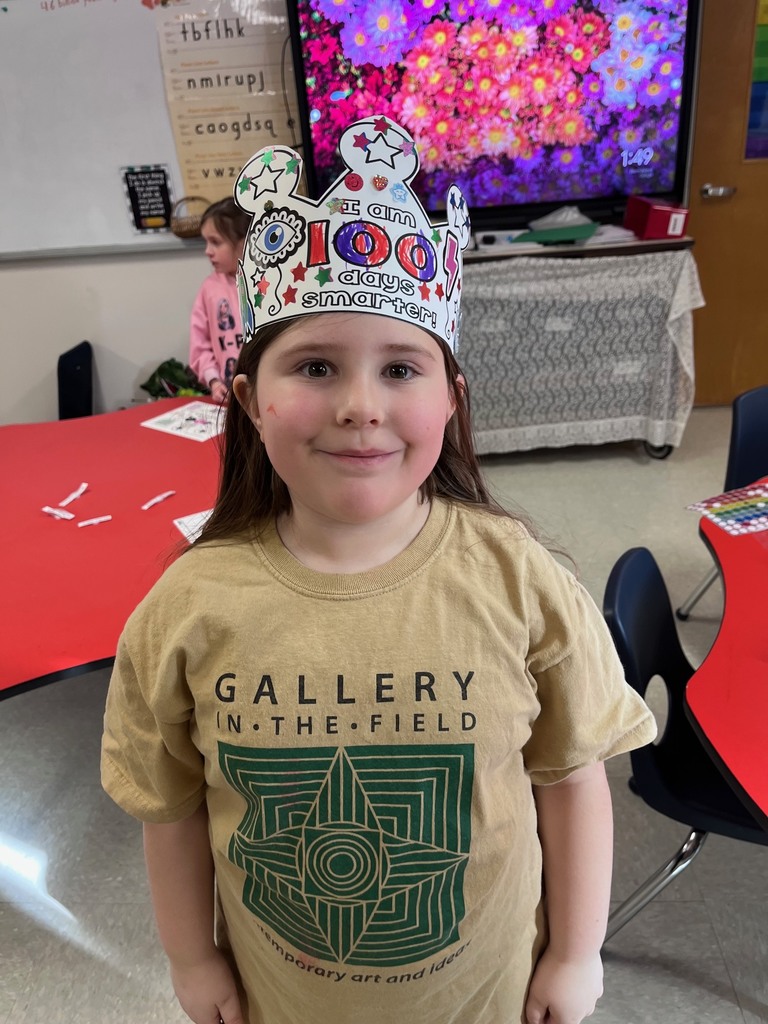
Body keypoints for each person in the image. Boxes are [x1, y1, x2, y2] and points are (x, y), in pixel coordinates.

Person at [101, 115, 657, 1024]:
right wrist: (192, 959)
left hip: (485, 995)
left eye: (401, 368)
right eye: (315, 365)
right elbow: (171, 810)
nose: (361, 407)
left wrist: (577, 950)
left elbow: (571, 778)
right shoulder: (187, 609)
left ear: (451, 398)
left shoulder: (518, 578)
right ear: (247, 400)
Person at [189, 198, 250, 403]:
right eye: (206, 242)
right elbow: (200, 343)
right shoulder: (209, 288)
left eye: (215, 242)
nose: (207, 251)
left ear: (243, 243)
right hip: (229, 400)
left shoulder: (272, 283)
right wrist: (213, 380)